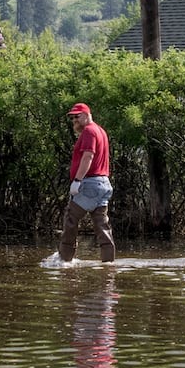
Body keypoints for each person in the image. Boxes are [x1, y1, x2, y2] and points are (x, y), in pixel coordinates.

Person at [59, 103, 115, 263]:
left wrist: (77, 180)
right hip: (103, 184)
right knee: (102, 227)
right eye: (72, 118)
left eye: (77, 116)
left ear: (86, 114)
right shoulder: (100, 131)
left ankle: (64, 261)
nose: (74, 120)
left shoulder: (89, 131)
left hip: (90, 184)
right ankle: (109, 264)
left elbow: (88, 156)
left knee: (71, 219)